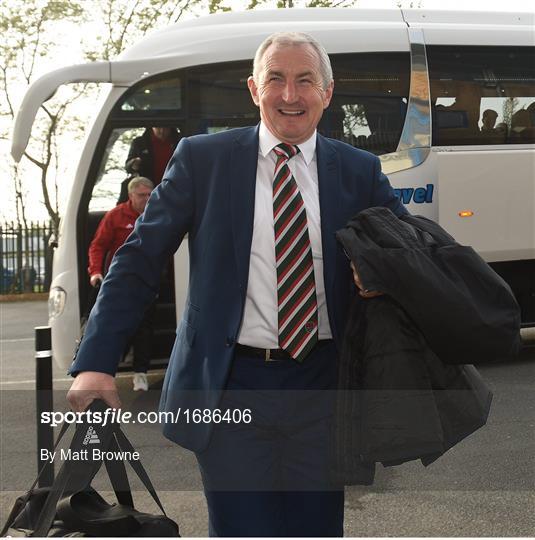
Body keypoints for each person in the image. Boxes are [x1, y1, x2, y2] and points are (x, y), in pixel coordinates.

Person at [68, 32, 406, 536]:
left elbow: (405, 259)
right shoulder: (203, 159)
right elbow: (138, 260)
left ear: (327, 93)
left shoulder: (360, 171)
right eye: (276, 79)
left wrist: (380, 273)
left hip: (322, 387)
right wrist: (96, 363)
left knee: (316, 529)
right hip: (232, 387)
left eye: (305, 81)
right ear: (254, 89)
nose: (290, 95)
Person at [87, 176, 155, 391]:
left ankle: (141, 373)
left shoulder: (158, 213)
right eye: (142, 195)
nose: (147, 199)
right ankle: (107, 372)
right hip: (119, 281)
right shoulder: (116, 216)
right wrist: (95, 272)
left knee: (144, 327)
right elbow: (98, 246)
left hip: (147, 279)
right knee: (117, 326)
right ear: (131, 195)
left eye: (150, 195)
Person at [118, 127, 181, 203]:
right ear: (152, 127)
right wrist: (134, 163)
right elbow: (128, 166)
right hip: (148, 191)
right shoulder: (140, 143)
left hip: (174, 190)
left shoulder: (181, 142)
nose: (162, 131)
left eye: (165, 128)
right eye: (158, 128)